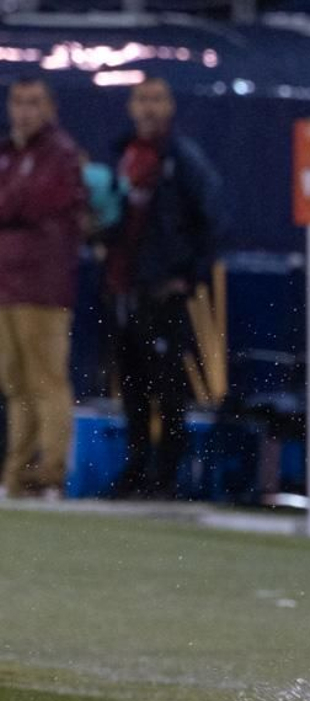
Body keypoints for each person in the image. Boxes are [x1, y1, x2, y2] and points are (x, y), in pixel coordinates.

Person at [106, 78, 225, 499]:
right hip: (123, 289)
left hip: (163, 292)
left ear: (170, 106)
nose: (149, 108)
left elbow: (213, 219)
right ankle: (136, 468)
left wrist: (187, 277)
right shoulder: (122, 154)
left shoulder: (183, 159)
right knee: (132, 386)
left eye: (156, 99)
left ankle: (166, 476)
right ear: (130, 106)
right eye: (142, 99)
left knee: (169, 387)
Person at [0, 77, 86, 499]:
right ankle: (16, 477)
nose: (24, 111)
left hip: (43, 289)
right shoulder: (7, 153)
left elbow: (27, 203)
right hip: (6, 286)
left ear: (50, 108)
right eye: (18, 102)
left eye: (33, 103)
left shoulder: (61, 154)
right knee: (15, 384)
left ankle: (51, 474)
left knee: (47, 382)